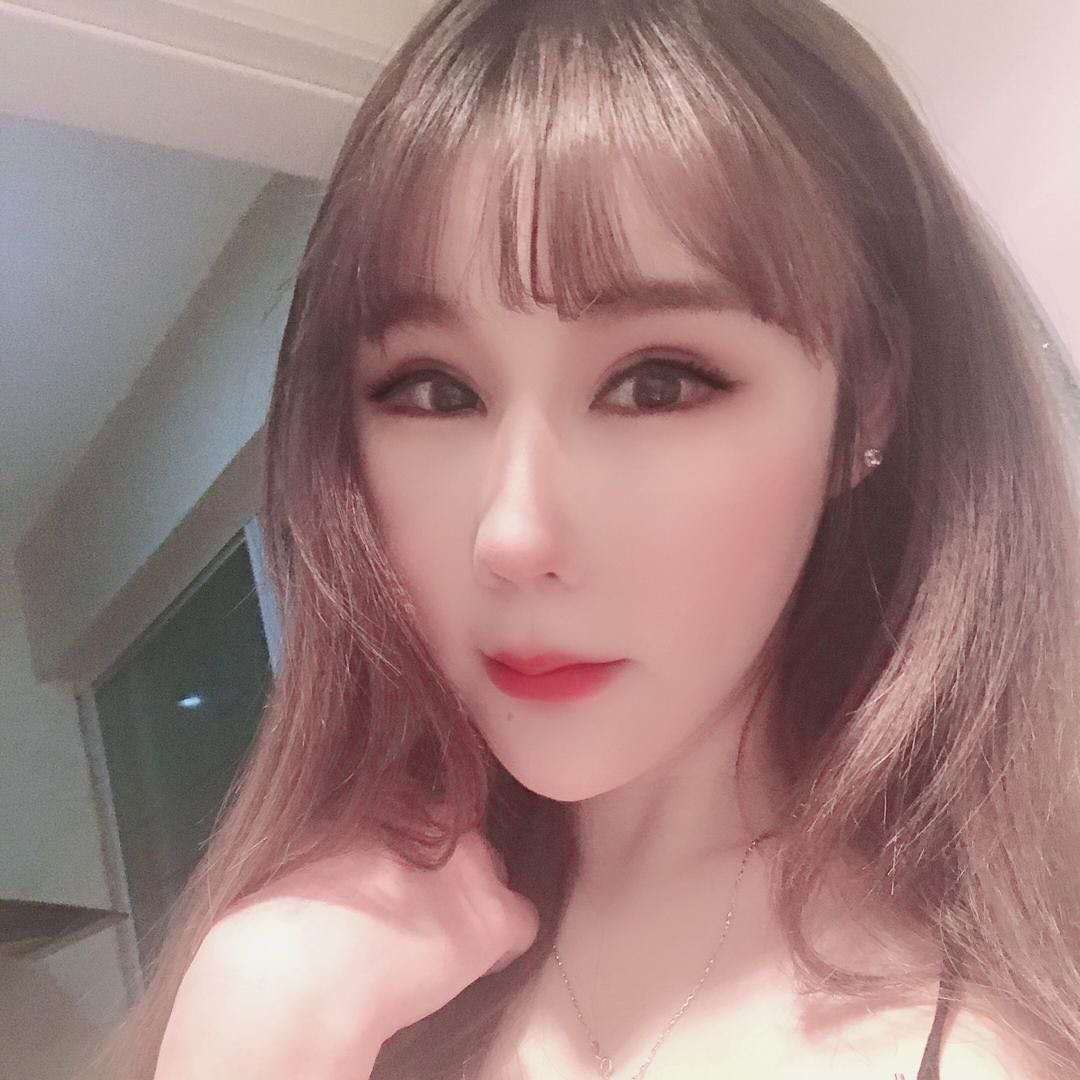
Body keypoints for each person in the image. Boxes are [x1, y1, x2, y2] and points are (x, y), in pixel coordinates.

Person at [90, 1, 1080, 1078]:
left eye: (656, 384)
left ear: (869, 400)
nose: (513, 535)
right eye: (435, 390)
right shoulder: (331, 952)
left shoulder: (987, 1038)